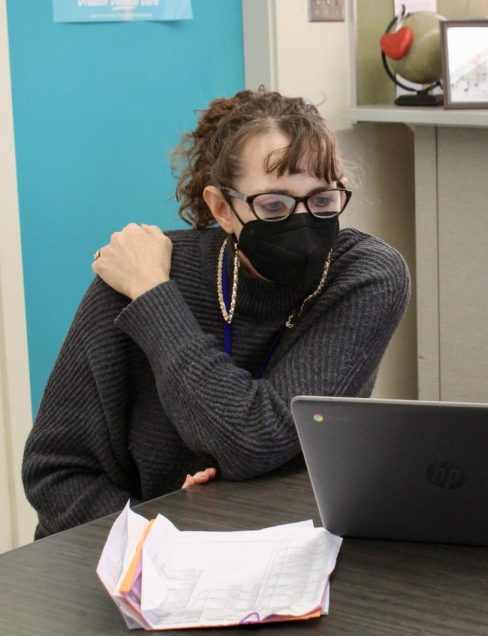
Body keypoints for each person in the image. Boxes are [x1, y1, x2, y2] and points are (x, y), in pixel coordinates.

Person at [22, 88, 411, 537]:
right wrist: (161, 537)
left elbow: (253, 440)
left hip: (295, 548)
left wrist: (154, 299)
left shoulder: (364, 277)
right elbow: (57, 473)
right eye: (274, 206)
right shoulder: (137, 274)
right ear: (222, 208)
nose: (303, 221)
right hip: (139, 562)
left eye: (323, 201)